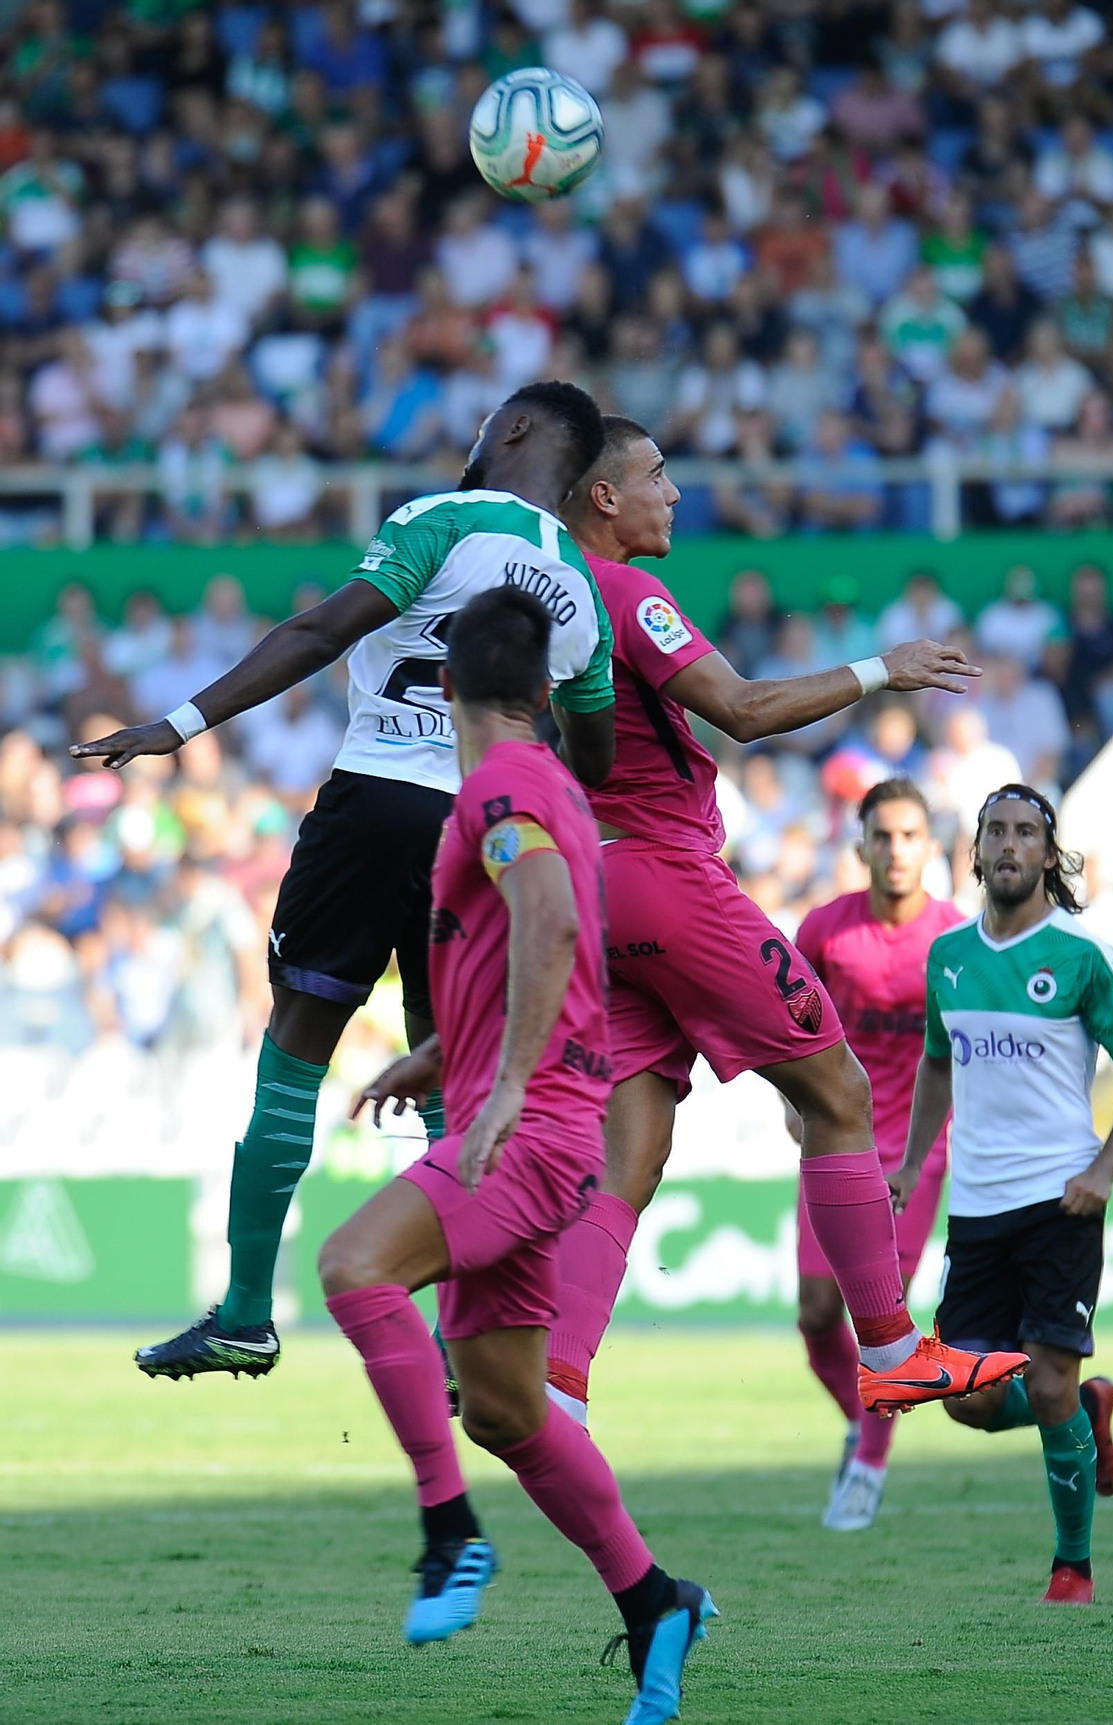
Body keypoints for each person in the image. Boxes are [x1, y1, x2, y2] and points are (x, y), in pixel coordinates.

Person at [73, 382, 618, 1380]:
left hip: (375, 807)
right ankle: (468, 1344)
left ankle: (244, 1312)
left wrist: (179, 725)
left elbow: (321, 632)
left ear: (519, 430)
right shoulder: (581, 589)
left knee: (297, 1052)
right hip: (486, 826)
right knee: (452, 1069)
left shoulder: (438, 520)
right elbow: (592, 757)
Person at [545, 416, 1031, 1432]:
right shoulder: (628, 593)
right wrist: (878, 671)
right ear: (602, 497)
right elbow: (747, 707)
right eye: (656, 475)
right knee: (838, 1090)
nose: (673, 494)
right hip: (667, 878)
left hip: (590, 884)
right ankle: (893, 1351)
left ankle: (557, 1381)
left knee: (629, 1149)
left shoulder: (545, 599)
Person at [318, 585, 715, 1715]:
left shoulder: (496, 787)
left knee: (353, 1270)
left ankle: (449, 1534)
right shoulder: (555, 786)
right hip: (546, 1121)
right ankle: (654, 1602)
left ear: (442, 685)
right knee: (502, 1408)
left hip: (527, 1133)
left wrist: (492, 1093)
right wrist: (440, 1056)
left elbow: (543, 917)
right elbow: (531, 943)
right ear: (547, 690)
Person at [891, 786, 1113, 1604]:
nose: (1008, 845)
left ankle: (1072, 1566)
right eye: (995, 832)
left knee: (1042, 1383)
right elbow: (938, 1062)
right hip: (976, 1209)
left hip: (1061, 1201)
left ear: (1049, 854)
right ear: (975, 852)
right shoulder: (948, 957)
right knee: (967, 1401)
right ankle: (1085, 1409)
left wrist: (1104, 1170)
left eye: (1025, 833)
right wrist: (910, 1162)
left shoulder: (1081, 954)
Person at [789, 780, 969, 1532]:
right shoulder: (825, 931)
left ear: (930, 846)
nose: (896, 850)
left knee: (879, 1315)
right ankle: (864, 1423)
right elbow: (782, 1026)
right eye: (883, 836)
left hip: (915, 1156)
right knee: (815, 1312)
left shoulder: (958, 939)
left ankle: (868, 1464)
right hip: (837, 1144)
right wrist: (793, 1107)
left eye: (909, 836)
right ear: (859, 844)